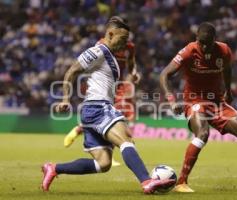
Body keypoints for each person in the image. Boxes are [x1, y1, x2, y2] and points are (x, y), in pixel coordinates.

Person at [41, 16, 175, 194]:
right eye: (122, 39)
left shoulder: (110, 55)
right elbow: (72, 70)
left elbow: (129, 62)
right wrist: (65, 98)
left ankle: (54, 168)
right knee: (126, 140)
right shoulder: (98, 51)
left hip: (93, 110)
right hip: (98, 107)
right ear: (110, 34)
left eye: (127, 40)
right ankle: (146, 182)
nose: (125, 44)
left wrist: (133, 72)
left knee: (103, 164)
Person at [159, 22, 237, 194]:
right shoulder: (188, 51)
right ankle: (181, 182)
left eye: (209, 43)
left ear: (215, 40)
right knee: (203, 134)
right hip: (194, 101)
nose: (205, 47)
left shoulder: (224, 50)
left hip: (217, 102)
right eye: (201, 43)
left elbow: (227, 70)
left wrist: (228, 91)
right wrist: (171, 100)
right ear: (196, 39)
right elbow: (164, 74)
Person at [63, 39, 140, 166]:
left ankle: (80, 129)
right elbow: (94, 63)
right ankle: (81, 129)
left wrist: (133, 73)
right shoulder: (103, 44)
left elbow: (131, 62)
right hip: (104, 86)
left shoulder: (130, 46)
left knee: (116, 118)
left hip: (118, 85)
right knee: (115, 119)